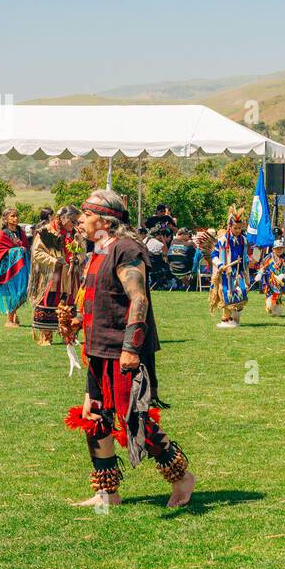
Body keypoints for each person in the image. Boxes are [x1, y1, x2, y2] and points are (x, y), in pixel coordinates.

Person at [64, 190, 195, 509]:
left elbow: (138, 298)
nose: (80, 219)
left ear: (104, 220)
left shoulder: (125, 249)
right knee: (93, 416)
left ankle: (181, 477)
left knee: (133, 419)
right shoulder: (97, 251)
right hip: (97, 350)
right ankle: (108, 492)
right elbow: (105, 300)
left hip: (122, 350)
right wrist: (76, 321)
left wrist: (131, 347)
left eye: (86, 213)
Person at [29, 205, 83, 346]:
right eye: (73, 221)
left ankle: (68, 334)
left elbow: (82, 251)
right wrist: (54, 261)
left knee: (69, 303)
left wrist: (77, 259)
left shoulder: (75, 233)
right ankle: (46, 336)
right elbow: (37, 253)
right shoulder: (46, 232)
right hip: (52, 277)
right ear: (63, 218)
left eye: (77, 222)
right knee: (49, 301)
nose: (75, 224)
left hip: (70, 276)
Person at [210, 207, 250, 327]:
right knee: (226, 294)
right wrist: (220, 264)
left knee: (241, 293)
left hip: (239, 271)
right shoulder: (223, 240)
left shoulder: (243, 240)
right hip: (226, 272)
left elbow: (245, 255)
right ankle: (225, 319)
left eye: (240, 228)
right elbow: (214, 255)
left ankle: (235, 318)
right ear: (230, 227)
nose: (238, 230)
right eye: (235, 228)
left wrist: (246, 263)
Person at [0, 207, 31, 327]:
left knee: (25, 292)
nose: (16, 218)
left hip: (21, 267)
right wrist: (15, 251)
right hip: (9, 268)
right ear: (6, 219)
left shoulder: (20, 231)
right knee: (17, 292)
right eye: (12, 216)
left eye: (16, 215)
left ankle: (13, 314)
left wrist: (22, 250)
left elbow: (26, 246)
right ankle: (9, 319)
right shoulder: (4, 233)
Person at [254, 241, 285, 316]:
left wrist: (284, 275)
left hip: (279, 283)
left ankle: (276, 311)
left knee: (278, 296)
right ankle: (270, 307)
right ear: (273, 249)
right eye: (277, 249)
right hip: (269, 281)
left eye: (281, 248)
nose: (279, 250)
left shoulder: (284, 259)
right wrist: (259, 274)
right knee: (271, 295)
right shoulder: (269, 257)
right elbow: (262, 266)